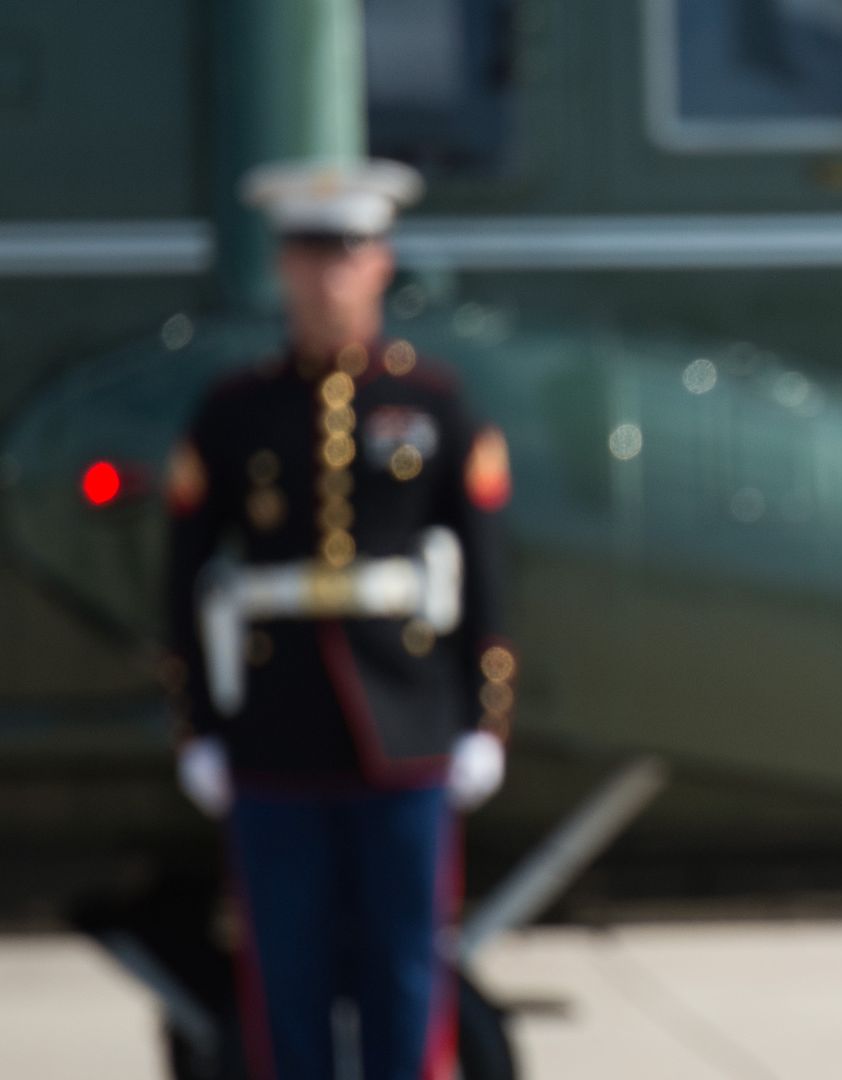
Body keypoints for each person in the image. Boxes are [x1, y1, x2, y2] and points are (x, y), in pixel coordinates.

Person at [162, 158, 516, 1080]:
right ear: (283, 268)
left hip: (407, 728)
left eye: (347, 253)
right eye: (309, 255)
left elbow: (481, 571)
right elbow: (184, 576)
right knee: (288, 979)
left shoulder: (433, 404)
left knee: (405, 972)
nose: (328, 276)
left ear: (382, 264)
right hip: (276, 735)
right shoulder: (235, 411)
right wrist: (200, 725)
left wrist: (483, 718)